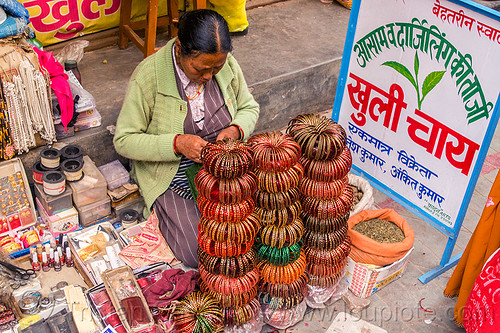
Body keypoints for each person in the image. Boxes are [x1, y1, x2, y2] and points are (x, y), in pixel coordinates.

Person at [113, 9, 260, 268]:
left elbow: (249, 107)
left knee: (261, 225)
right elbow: (124, 140)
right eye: (201, 68)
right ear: (179, 49)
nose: (209, 76)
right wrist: (177, 143)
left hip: (224, 161)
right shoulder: (148, 76)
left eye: (217, 67)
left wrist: (235, 130)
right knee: (201, 251)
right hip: (173, 172)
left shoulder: (224, 65)